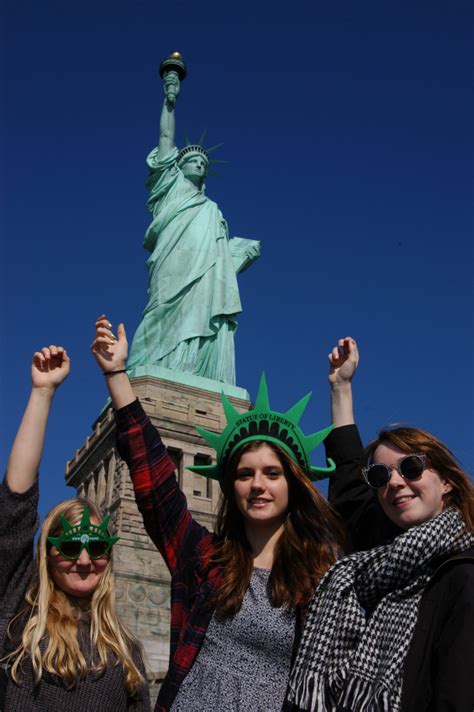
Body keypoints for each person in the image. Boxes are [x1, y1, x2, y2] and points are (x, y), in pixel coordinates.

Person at [92, 315, 345, 712]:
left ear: (293, 485)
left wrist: (342, 391)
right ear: (231, 487)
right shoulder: (204, 558)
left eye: (272, 473)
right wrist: (118, 375)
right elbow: (156, 485)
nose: (258, 485)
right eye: (245, 474)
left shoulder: (319, 578)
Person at [288, 337, 474, 712]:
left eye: (411, 468)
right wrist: (341, 387)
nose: (395, 482)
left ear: (448, 480)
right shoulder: (376, 567)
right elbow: (350, 491)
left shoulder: (463, 572)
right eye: (380, 476)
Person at [0, 345, 150, 711]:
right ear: (47, 554)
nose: (84, 560)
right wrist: (42, 393)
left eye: (97, 547)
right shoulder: (18, 615)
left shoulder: (125, 651)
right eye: (69, 547)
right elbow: (14, 506)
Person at [126, 65, 259, 384]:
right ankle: (146, 365)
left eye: (203, 163)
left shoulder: (211, 209)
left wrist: (236, 254)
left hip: (204, 274)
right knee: (160, 311)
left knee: (200, 309)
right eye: (192, 161)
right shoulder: (168, 187)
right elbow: (165, 136)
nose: (199, 164)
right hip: (173, 262)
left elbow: (220, 257)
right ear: (177, 166)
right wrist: (169, 99)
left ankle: (194, 369)